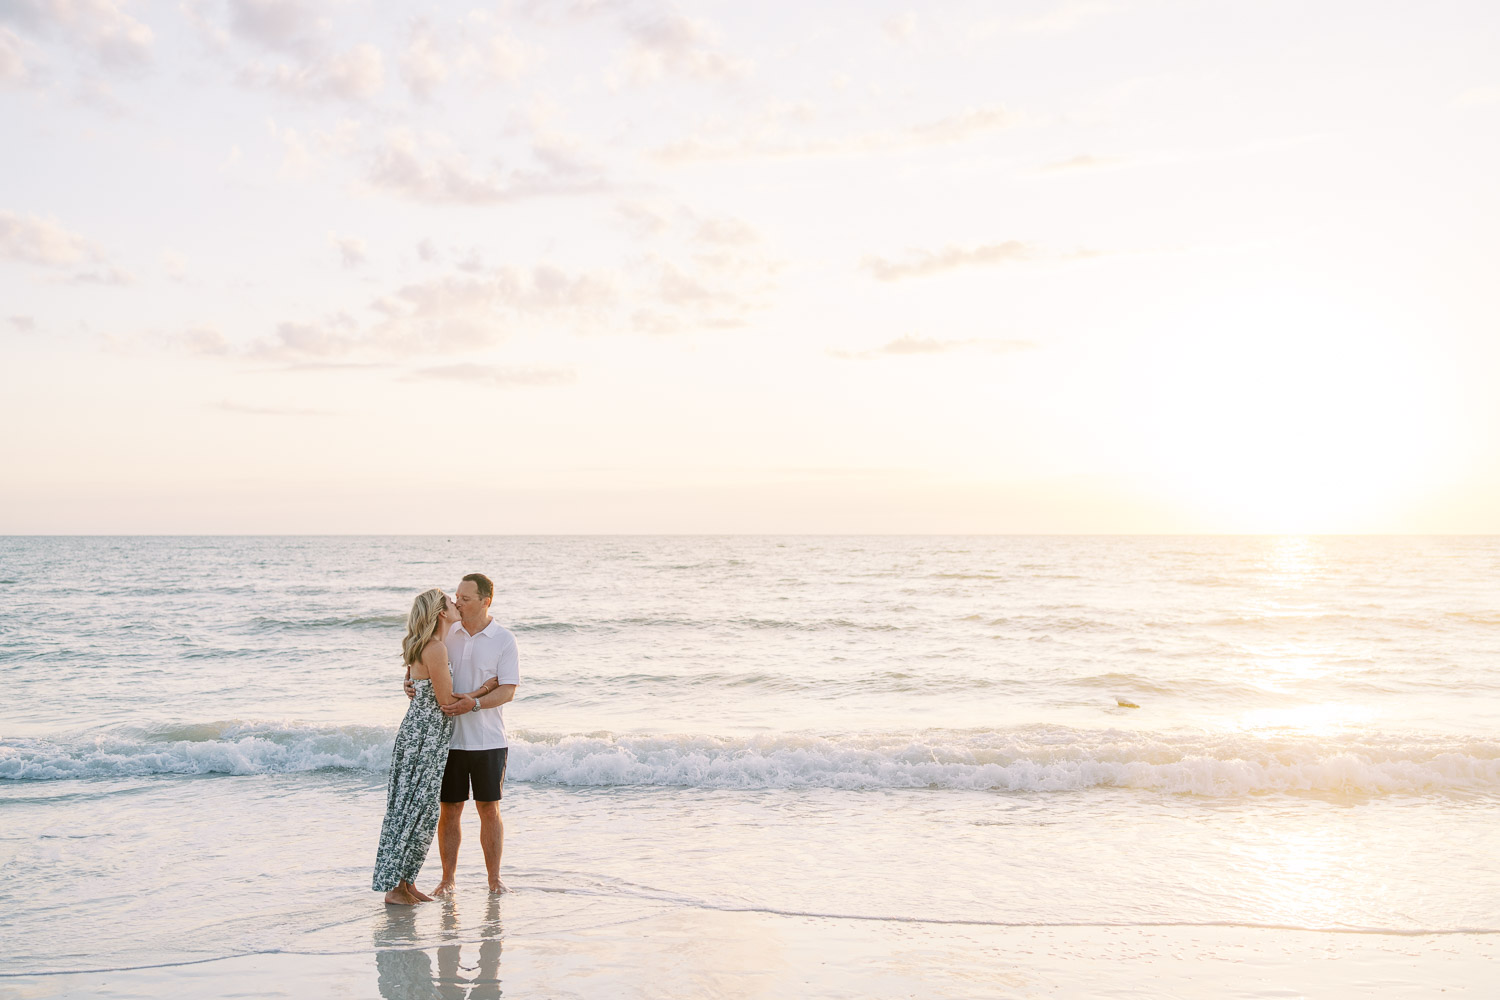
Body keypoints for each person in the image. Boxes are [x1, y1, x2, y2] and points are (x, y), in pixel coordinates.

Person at [405, 572, 519, 895]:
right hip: (448, 740)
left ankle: (494, 880)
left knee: (489, 809)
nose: (457, 602)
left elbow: (508, 690)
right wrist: (409, 680)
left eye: (465, 599)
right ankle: (447, 879)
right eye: (456, 597)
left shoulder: (504, 640)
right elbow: (420, 654)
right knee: (450, 810)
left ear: (486, 601)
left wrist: (476, 703)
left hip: (489, 739)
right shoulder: (447, 631)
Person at [372, 589, 463, 905]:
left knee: (416, 809)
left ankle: (406, 884)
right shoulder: (435, 648)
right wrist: (488, 689)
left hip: (420, 735)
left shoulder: (424, 646)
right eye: (451, 603)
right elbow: (446, 701)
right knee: (416, 810)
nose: (456, 605)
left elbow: (417, 684)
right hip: (423, 738)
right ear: (441, 612)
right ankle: (397, 889)